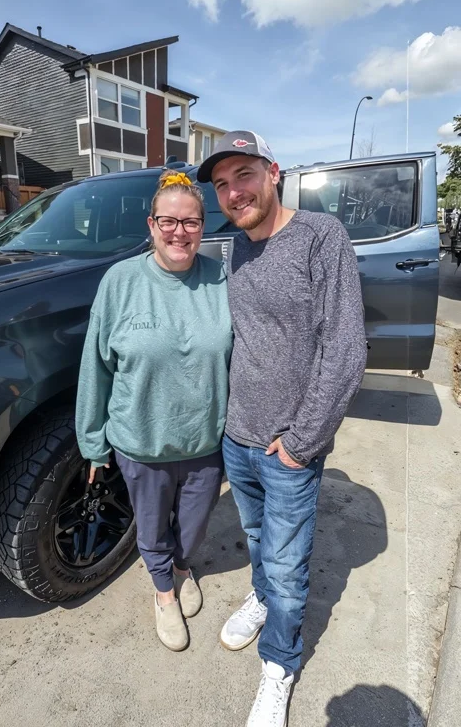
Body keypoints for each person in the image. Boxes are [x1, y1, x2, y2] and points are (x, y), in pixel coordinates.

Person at [196, 132, 367, 727]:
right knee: (257, 539)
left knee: (291, 564)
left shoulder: (322, 237)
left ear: (273, 173)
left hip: (289, 445)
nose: (233, 191)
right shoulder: (236, 250)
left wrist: (301, 443)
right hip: (237, 437)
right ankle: (261, 598)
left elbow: (345, 350)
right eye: (221, 184)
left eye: (243, 175)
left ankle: (280, 666)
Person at [75, 169, 233, 651]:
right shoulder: (120, 281)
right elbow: (95, 366)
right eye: (168, 221)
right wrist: (93, 442)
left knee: (194, 524)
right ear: (151, 225)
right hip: (142, 441)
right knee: (151, 526)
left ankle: (183, 569)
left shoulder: (221, 279)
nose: (179, 232)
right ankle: (164, 593)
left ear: (203, 228)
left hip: (205, 439)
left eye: (190, 223)